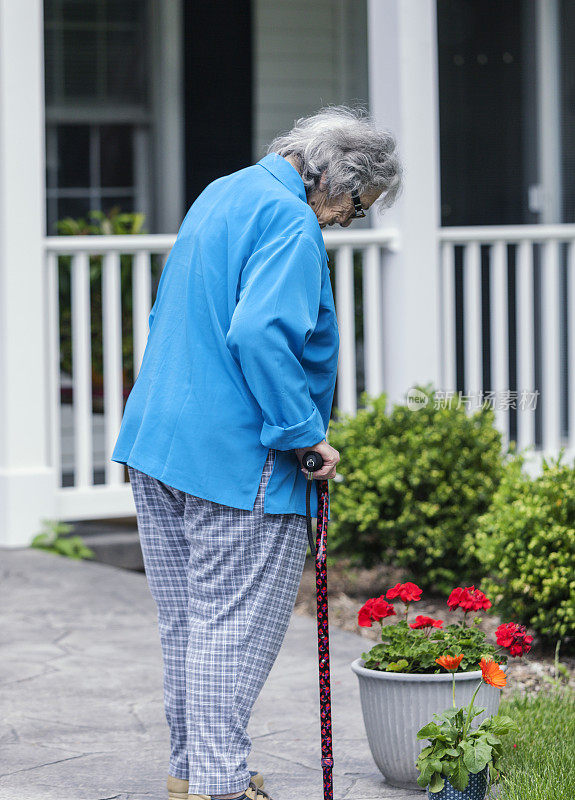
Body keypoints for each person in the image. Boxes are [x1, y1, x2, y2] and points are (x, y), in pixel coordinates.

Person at [110, 104, 402, 800]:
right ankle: (219, 785)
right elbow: (261, 336)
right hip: (232, 461)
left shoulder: (225, 190)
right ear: (337, 180)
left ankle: (193, 774)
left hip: (157, 444)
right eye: (359, 207)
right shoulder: (292, 221)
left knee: (189, 627)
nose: (348, 222)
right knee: (232, 632)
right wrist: (305, 435)